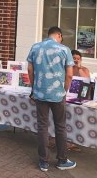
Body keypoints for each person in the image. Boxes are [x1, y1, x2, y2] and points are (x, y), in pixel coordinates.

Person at [27, 26, 76, 172]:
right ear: (59, 35)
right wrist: (64, 90)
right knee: (60, 126)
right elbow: (69, 75)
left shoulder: (35, 47)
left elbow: (30, 70)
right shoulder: (64, 50)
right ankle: (62, 160)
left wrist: (34, 88)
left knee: (42, 126)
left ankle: (43, 162)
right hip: (57, 94)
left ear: (48, 35)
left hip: (40, 93)